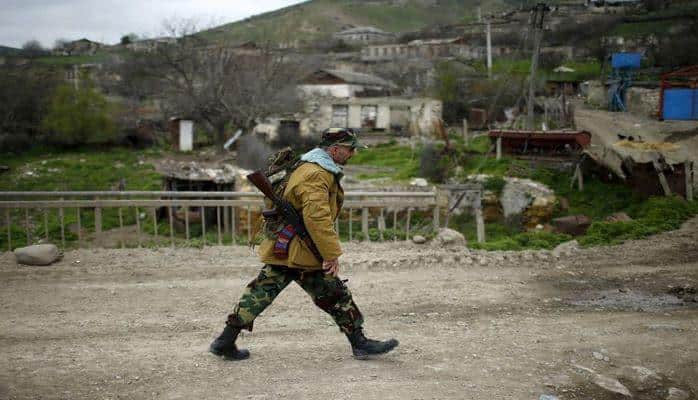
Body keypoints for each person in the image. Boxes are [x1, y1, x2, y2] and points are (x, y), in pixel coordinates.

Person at [209, 128, 399, 361]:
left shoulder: (306, 166)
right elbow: (317, 217)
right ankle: (359, 343)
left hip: (286, 247)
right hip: (300, 250)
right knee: (336, 295)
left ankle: (225, 340)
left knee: (260, 291)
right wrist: (330, 254)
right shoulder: (316, 174)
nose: (353, 154)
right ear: (335, 149)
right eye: (350, 149)